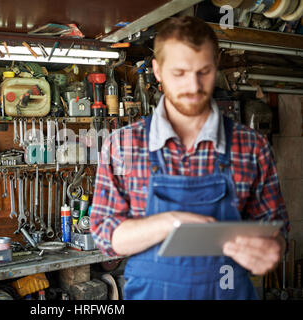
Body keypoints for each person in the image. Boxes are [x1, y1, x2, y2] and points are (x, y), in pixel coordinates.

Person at [90, 15, 289, 300]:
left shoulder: (252, 147)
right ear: (157, 70)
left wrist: (272, 250)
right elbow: (107, 237)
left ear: (216, 64)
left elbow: (277, 231)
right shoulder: (122, 145)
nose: (194, 87)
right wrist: (172, 222)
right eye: (180, 73)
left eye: (203, 71)